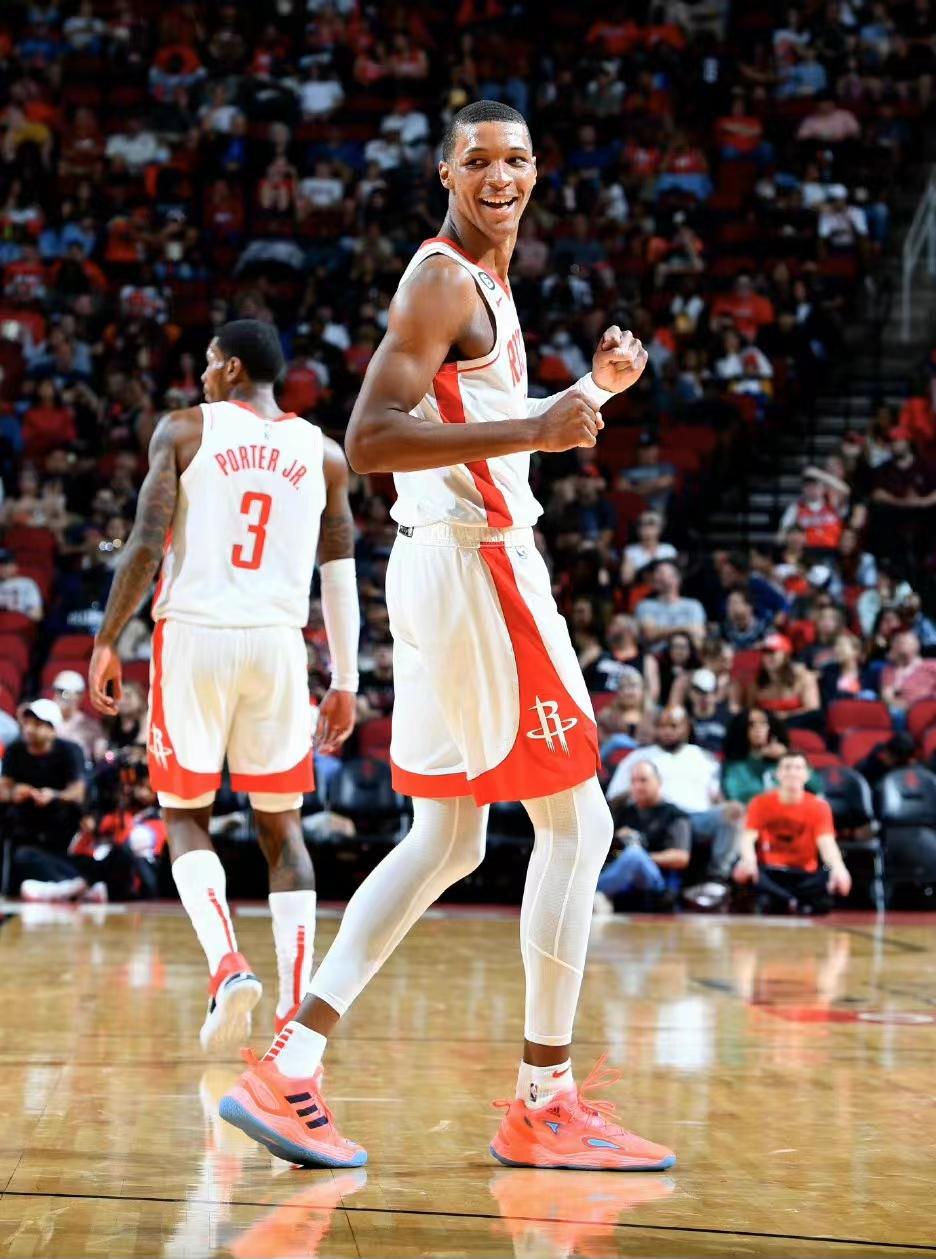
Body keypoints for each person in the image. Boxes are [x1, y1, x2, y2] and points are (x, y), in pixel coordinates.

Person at [219, 101, 675, 1175]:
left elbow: (476, 432)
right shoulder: (440, 280)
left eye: (516, 158)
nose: (499, 175)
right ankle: (545, 1102)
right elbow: (372, 438)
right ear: (444, 173)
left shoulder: (485, 280)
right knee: (580, 826)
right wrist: (539, 424)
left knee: (450, 839)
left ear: (537, 168)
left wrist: (587, 392)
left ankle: (288, 1066)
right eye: (479, 161)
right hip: (478, 569)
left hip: (440, 564)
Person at [88, 319, 361, 1052]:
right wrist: (345, 677)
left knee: (185, 814)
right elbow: (339, 571)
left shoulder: (184, 429)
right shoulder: (325, 453)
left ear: (232, 367)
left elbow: (145, 543)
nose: (203, 376)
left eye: (210, 364)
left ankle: (227, 965)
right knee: (283, 827)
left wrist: (108, 639)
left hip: (196, 637)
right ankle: (296, 1011)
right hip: (278, 644)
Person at [607, 706, 741, 880]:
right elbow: (614, 797)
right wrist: (642, 792)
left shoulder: (704, 757)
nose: (667, 731)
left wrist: (723, 805)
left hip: (695, 819)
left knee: (733, 811)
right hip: (654, 817)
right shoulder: (638, 757)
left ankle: (718, 878)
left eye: (674, 726)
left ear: (686, 728)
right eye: (662, 726)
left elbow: (717, 798)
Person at [733, 752, 852, 914]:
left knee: (828, 880)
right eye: (787, 767)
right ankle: (794, 902)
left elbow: (827, 843)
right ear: (778, 773)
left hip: (804, 874)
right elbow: (748, 837)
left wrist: (838, 868)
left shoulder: (819, 807)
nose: (792, 772)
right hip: (771, 871)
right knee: (744, 872)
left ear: (807, 775)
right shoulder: (759, 803)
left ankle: (786, 900)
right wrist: (748, 860)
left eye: (798, 768)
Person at [0, 699, 87, 895]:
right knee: (22, 855)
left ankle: (66, 883)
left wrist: (54, 795)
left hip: (61, 824)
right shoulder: (15, 750)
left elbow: (78, 792)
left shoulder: (70, 750)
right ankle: (68, 884)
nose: (29, 729)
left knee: (29, 856)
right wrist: (15, 792)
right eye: (27, 723)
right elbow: (3, 790)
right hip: (24, 825)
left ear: (53, 729)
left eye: (37, 724)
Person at [593, 760, 690, 915]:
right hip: (624, 882)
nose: (637, 786)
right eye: (633, 781)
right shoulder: (625, 813)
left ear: (658, 782)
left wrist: (643, 857)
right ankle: (596, 895)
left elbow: (681, 857)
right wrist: (618, 842)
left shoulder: (674, 815)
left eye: (643, 780)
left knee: (634, 856)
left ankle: (590, 893)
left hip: (658, 882)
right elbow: (613, 854)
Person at [721, 708, 822, 804]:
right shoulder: (734, 766)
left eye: (763, 723)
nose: (758, 729)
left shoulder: (784, 759)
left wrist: (787, 756)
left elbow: (816, 786)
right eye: (751, 725)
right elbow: (739, 796)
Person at [736, 632, 821, 725]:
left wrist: (785, 716)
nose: (768, 657)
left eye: (772, 652)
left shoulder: (803, 677)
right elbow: (750, 710)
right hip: (766, 728)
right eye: (765, 653)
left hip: (799, 725)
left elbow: (812, 710)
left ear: (785, 655)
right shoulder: (756, 681)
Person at [635, 561, 707, 651]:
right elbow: (650, 634)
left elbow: (698, 634)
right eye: (655, 574)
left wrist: (663, 632)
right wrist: (684, 629)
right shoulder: (645, 605)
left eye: (661, 573)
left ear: (676, 578)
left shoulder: (693, 605)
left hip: (687, 654)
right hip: (657, 655)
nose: (656, 576)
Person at [880, 630, 936, 720]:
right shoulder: (890, 670)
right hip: (900, 712)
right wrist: (908, 707)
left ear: (916, 646)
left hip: (929, 710)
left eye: (903, 642)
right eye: (896, 643)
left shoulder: (931, 665)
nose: (899, 645)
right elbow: (887, 696)